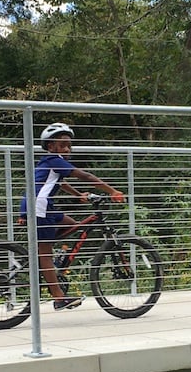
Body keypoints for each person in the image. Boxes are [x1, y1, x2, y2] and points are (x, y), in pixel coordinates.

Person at [20, 122, 125, 310]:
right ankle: (59, 297)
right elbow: (85, 176)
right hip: (39, 207)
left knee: (74, 225)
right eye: (62, 144)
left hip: (42, 207)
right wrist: (111, 191)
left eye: (69, 145)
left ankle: (56, 263)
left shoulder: (51, 164)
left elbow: (60, 183)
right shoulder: (54, 160)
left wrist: (79, 195)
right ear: (51, 146)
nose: (67, 148)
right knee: (44, 251)